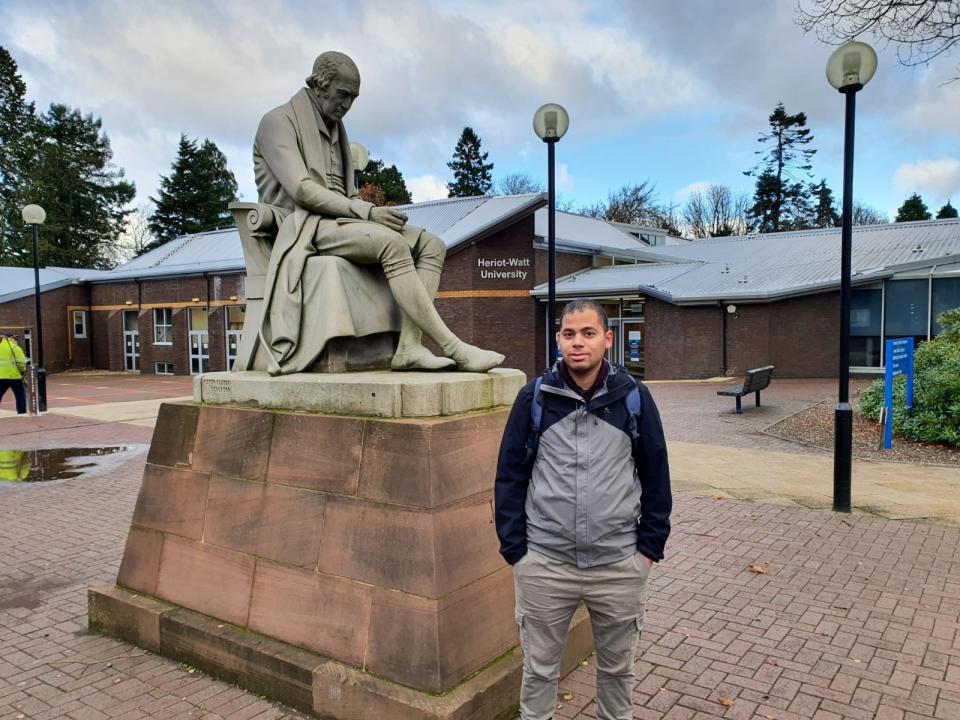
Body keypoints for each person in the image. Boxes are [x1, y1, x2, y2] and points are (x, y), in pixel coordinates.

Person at [253, 51, 503, 374]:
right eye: (342, 95)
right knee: (392, 244)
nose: (347, 105)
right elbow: (303, 190)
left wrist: (373, 214)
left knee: (432, 246)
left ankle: (409, 348)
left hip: (341, 221)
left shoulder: (336, 128)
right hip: (303, 227)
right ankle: (454, 346)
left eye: (353, 98)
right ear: (319, 85)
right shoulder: (277, 122)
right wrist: (369, 214)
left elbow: (347, 192)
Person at [495, 299, 672, 720]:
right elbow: (509, 476)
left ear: (607, 340)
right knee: (538, 674)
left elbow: (656, 476)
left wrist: (647, 550)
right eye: (569, 334)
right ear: (558, 339)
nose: (578, 343)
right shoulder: (533, 398)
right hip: (545, 565)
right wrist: (517, 552)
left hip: (618, 565)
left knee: (617, 672)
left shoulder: (634, 398)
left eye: (588, 333)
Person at [0, 333, 28, 415]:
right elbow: (22, 362)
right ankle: (22, 412)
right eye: (15, 338)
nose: (16, 340)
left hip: (1, 376)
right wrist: (23, 371)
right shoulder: (15, 348)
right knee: (19, 394)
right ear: (11, 338)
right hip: (14, 376)